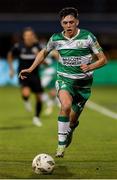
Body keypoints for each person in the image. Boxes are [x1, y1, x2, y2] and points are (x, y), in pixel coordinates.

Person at [19, 7, 107, 157]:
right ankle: (60, 146)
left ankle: (71, 129)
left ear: (77, 22)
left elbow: (103, 59)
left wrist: (90, 66)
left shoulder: (88, 37)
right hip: (64, 79)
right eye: (65, 22)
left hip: (84, 86)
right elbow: (44, 52)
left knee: (72, 122)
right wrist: (31, 68)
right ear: (61, 24)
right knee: (65, 105)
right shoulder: (56, 39)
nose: (68, 25)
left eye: (71, 22)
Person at [8, 27, 43, 127]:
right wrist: (11, 69)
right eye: (26, 35)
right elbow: (10, 55)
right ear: (23, 37)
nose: (28, 37)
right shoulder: (19, 46)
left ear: (33, 36)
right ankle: (26, 100)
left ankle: (36, 117)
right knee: (26, 93)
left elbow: (43, 61)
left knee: (39, 98)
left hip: (35, 75)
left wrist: (39, 57)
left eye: (30, 35)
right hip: (23, 75)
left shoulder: (38, 46)